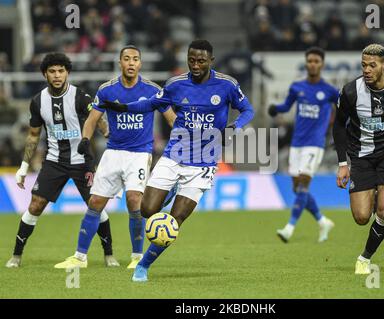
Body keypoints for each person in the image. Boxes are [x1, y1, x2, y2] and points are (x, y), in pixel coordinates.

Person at [98, 39, 255, 282]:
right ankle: (170, 190)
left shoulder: (227, 85)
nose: (195, 64)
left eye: (201, 60)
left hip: (203, 164)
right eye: (191, 60)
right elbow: (151, 104)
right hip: (174, 155)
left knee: (175, 219)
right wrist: (122, 109)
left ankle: (144, 266)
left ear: (210, 61)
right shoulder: (176, 85)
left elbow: (248, 110)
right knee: (147, 210)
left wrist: (235, 127)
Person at [54, 46, 177, 270]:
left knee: (134, 201)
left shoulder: (152, 90)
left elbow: (171, 119)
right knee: (95, 203)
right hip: (113, 152)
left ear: (141, 64)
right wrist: (85, 139)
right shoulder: (107, 90)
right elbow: (92, 119)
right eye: (127, 59)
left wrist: (184, 141)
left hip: (139, 154)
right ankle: (80, 258)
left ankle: (137, 257)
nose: (131, 63)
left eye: (136, 59)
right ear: (119, 63)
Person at [6, 53, 118, 268]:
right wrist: (23, 166)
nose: (57, 75)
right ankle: (16, 255)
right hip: (54, 161)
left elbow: (99, 121)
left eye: (61, 71)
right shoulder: (38, 101)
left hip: (82, 161)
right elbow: (33, 135)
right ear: (45, 74)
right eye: (52, 71)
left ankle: (109, 254)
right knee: (36, 204)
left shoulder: (80, 97)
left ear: (67, 72)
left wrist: (110, 140)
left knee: (95, 205)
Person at [332, 44, 384, 275]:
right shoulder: (350, 92)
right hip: (361, 157)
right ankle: (383, 196)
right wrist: (342, 164)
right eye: (363, 65)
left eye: (372, 65)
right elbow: (338, 127)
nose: (366, 70)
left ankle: (365, 258)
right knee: (361, 217)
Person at [268, 47, 337, 243]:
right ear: (306, 63)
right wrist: (275, 109)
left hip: (314, 145)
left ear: (322, 64)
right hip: (297, 144)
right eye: (310, 61)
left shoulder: (330, 91)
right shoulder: (297, 88)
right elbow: (286, 107)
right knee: (296, 189)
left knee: (304, 186)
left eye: (316, 61)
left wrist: (340, 131)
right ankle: (323, 221)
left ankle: (289, 228)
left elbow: (344, 109)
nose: (313, 64)